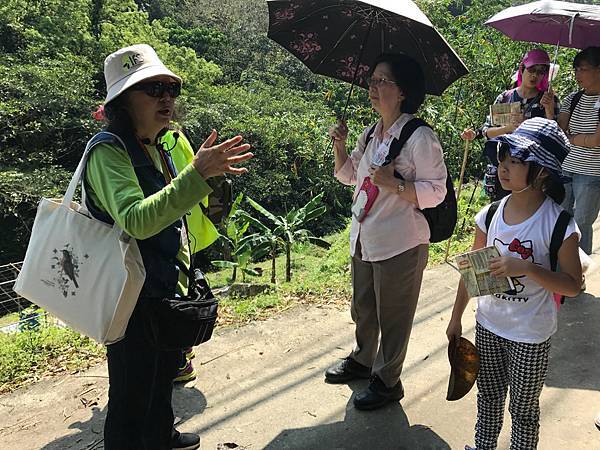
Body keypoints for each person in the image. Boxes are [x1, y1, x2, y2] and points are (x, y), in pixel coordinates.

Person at [85, 44, 253, 450]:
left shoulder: (157, 143)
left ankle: (161, 435)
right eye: (152, 88)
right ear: (123, 101)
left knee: (162, 376)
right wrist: (197, 173)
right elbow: (138, 220)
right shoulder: (108, 151)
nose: (166, 98)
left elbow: (176, 212)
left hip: (162, 285)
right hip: (129, 296)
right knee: (130, 395)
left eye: (171, 89)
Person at [446, 118, 582, 450]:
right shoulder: (489, 215)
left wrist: (527, 268)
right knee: (488, 398)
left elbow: (572, 285)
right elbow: (472, 271)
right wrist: (455, 318)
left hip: (531, 334)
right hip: (488, 325)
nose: (504, 168)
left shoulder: (559, 224)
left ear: (543, 172)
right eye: (503, 159)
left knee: (523, 410)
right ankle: (483, 446)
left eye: (516, 162)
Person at [325, 53, 448, 410]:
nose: (373, 88)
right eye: (372, 81)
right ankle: (363, 360)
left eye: (383, 81)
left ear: (404, 91)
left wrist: (395, 184)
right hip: (365, 236)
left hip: (401, 242)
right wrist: (340, 147)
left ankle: (387, 381)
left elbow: (437, 190)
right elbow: (350, 176)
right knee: (363, 306)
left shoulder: (420, 136)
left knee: (393, 316)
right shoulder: (371, 132)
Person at [461, 49, 560, 201]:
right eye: (531, 69)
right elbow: (487, 130)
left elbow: (556, 137)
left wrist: (549, 110)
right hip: (504, 166)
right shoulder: (506, 97)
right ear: (522, 69)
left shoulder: (548, 100)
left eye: (541, 72)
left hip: (532, 171)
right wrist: (508, 129)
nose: (535, 75)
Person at [558, 46, 600, 256]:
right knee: (561, 218)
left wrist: (573, 138)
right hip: (566, 167)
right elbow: (559, 129)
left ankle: (579, 271)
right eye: (575, 69)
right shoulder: (573, 98)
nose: (577, 75)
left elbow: (597, 141)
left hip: (591, 172)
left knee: (582, 221)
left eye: (582, 69)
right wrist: (549, 109)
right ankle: (561, 267)